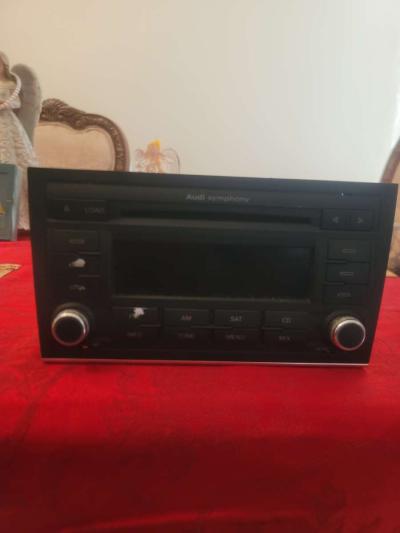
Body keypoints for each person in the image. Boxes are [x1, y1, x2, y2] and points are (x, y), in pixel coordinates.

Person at [0, 51, 38, 230]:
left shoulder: (10, 84)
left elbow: (17, 103)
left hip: (7, 124)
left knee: (11, 159)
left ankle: (14, 218)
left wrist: (4, 105)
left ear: (4, 66)